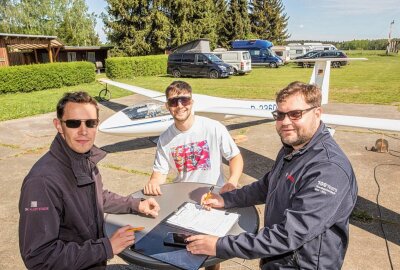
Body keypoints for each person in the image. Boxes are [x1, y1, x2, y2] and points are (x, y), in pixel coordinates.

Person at [186, 81, 358, 269]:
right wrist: (226, 199)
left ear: (317, 113)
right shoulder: (292, 148)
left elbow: (288, 235)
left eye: (295, 114)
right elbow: (268, 184)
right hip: (276, 260)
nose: (285, 122)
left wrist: (219, 246)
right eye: (280, 115)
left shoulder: (328, 170)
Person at [19, 92, 160, 270]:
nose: (83, 131)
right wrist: (106, 247)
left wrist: (136, 204)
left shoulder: (82, 158)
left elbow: (97, 195)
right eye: (73, 123)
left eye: (90, 123)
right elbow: (39, 258)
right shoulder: (42, 182)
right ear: (59, 126)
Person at [143, 80, 244, 196]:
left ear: (191, 102)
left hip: (214, 194)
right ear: (167, 106)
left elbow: (235, 157)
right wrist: (153, 182)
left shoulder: (214, 127)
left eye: (184, 100)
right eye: (173, 102)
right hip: (182, 195)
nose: (180, 106)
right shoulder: (164, 139)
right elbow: (159, 173)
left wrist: (232, 181)